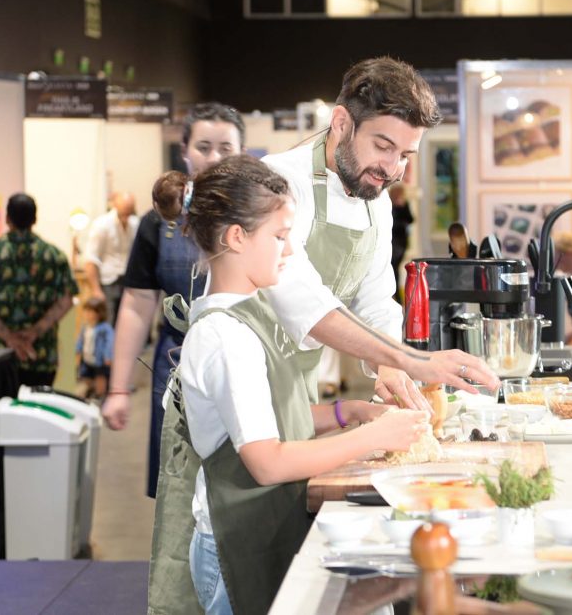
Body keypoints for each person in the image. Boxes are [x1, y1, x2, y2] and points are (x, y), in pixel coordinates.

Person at [145, 59, 498, 615]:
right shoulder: (279, 188)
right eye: (383, 146)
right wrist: (417, 360)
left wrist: (392, 374)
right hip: (237, 437)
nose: (394, 167)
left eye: (406, 154)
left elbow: (376, 299)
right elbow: (307, 307)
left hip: (287, 403)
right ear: (340, 124)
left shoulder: (374, 196)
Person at [156, 158, 427, 614]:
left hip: (261, 526)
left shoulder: (255, 310)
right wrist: (373, 437)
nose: (289, 252)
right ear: (236, 237)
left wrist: (350, 413)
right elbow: (266, 461)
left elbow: (273, 418)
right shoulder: (225, 335)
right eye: (280, 237)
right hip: (232, 542)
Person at [104, 102, 246, 498]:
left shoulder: (263, 215)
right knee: (178, 491)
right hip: (176, 367)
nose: (214, 157)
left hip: (246, 364)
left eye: (225, 148)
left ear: (242, 155)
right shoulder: (158, 222)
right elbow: (136, 305)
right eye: (203, 146)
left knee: (244, 484)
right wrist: (118, 389)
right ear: (184, 150)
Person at [0, 193, 77, 387]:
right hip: (40, 356)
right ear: (35, 219)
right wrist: (33, 332)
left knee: (0, 414)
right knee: (38, 413)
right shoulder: (54, 255)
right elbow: (66, 300)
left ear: (7, 218)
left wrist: (9, 337)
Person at [83, 191, 138, 326]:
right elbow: (91, 259)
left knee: (127, 322)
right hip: (108, 281)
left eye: (129, 213)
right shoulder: (102, 225)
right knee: (108, 322)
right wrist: (96, 289)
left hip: (128, 280)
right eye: (123, 213)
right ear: (115, 206)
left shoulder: (135, 224)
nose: (126, 217)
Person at [75, 297, 114, 400]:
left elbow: (109, 342)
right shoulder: (86, 326)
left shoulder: (104, 328)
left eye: (90, 311)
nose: (87, 314)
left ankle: (100, 395)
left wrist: (108, 356)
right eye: (85, 311)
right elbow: (81, 340)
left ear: (98, 313)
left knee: (100, 377)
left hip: (99, 360)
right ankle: (87, 392)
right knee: (86, 377)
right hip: (87, 359)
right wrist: (77, 350)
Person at [389, 182, 413, 302]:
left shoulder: (404, 205)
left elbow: (410, 219)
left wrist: (402, 207)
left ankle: (397, 297)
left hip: (401, 242)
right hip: (392, 241)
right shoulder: (389, 205)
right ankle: (395, 296)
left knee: (395, 268)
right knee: (393, 268)